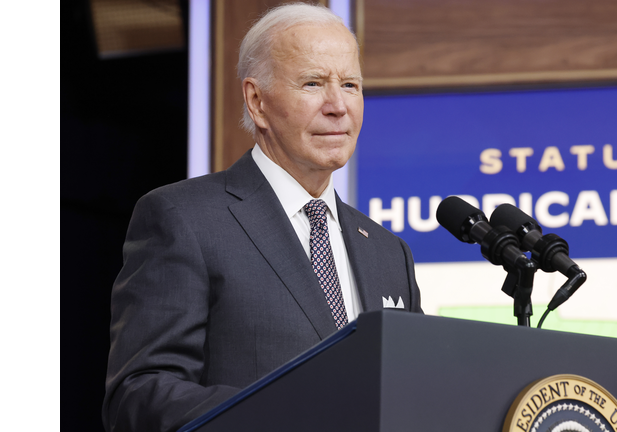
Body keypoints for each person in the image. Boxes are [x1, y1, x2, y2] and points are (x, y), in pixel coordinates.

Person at [102, 4, 422, 431]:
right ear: (257, 101)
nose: (338, 106)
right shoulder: (184, 219)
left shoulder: (388, 252)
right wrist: (288, 414)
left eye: (350, 84)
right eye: (313, 83)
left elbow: (413, 394)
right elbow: (139, 395)